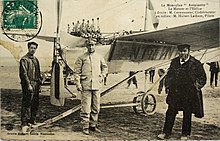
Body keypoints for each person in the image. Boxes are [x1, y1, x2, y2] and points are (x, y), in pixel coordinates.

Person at [157, 44, 206, 140]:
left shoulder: (196, 63)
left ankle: (185, 134)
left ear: (188, 51)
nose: (182, 53)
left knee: (187, 113)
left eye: (184, 51)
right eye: (180, 51)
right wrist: (167, 86)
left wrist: (196, 86)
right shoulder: (174, 62)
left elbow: (202, 78)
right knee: (170, 111)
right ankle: (166, 132)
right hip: (175, 92)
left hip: (188, 93)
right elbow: (169, 75)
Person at [74, 39, 108, 135]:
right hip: (86, 85)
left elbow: (105, 67)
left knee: (96, 107)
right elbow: (76, 72)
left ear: (95, 46)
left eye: (93, 45)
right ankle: (85, 126)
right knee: (86, 107)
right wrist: (78, 84)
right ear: (86, 46)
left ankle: (93, 125)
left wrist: (102, 75)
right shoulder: (81, 58)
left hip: (96, 85)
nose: (91, 47)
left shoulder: (99, 57)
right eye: (89, 45)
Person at [19, 42, 42, 134]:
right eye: (31, 48)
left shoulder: (36, 59)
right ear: (28, 48)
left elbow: (38, 73)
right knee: (26, 103)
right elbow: (23, 74)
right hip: (27, 84)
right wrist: (28, 85)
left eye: (34, 48)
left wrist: (39, 85)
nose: (33, 49)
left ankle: (32, 120)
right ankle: (24, 123)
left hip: (35, 84)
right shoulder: (24, 59)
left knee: (35, 103)